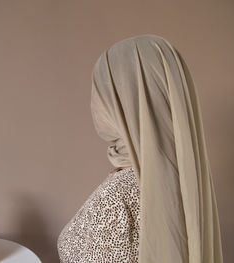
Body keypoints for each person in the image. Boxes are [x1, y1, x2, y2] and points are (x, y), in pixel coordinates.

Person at [57, 34, 223, 263]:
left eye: (101, 91)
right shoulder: (188, 179)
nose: (94, 104)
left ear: (121, 101)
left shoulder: (116, 200)